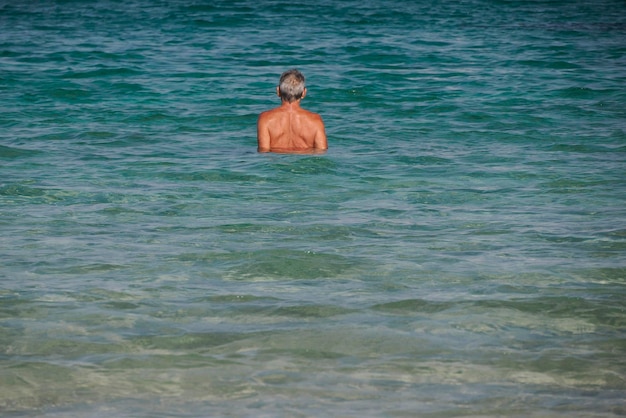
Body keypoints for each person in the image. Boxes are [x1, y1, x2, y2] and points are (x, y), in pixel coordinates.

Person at [257, 69, 327, 153]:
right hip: (304, 164)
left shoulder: (265, 119)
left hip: (277, 164)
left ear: (278, 91)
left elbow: (263, 152)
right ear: (304, 93)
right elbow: (322, 152)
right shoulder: (315, 120)